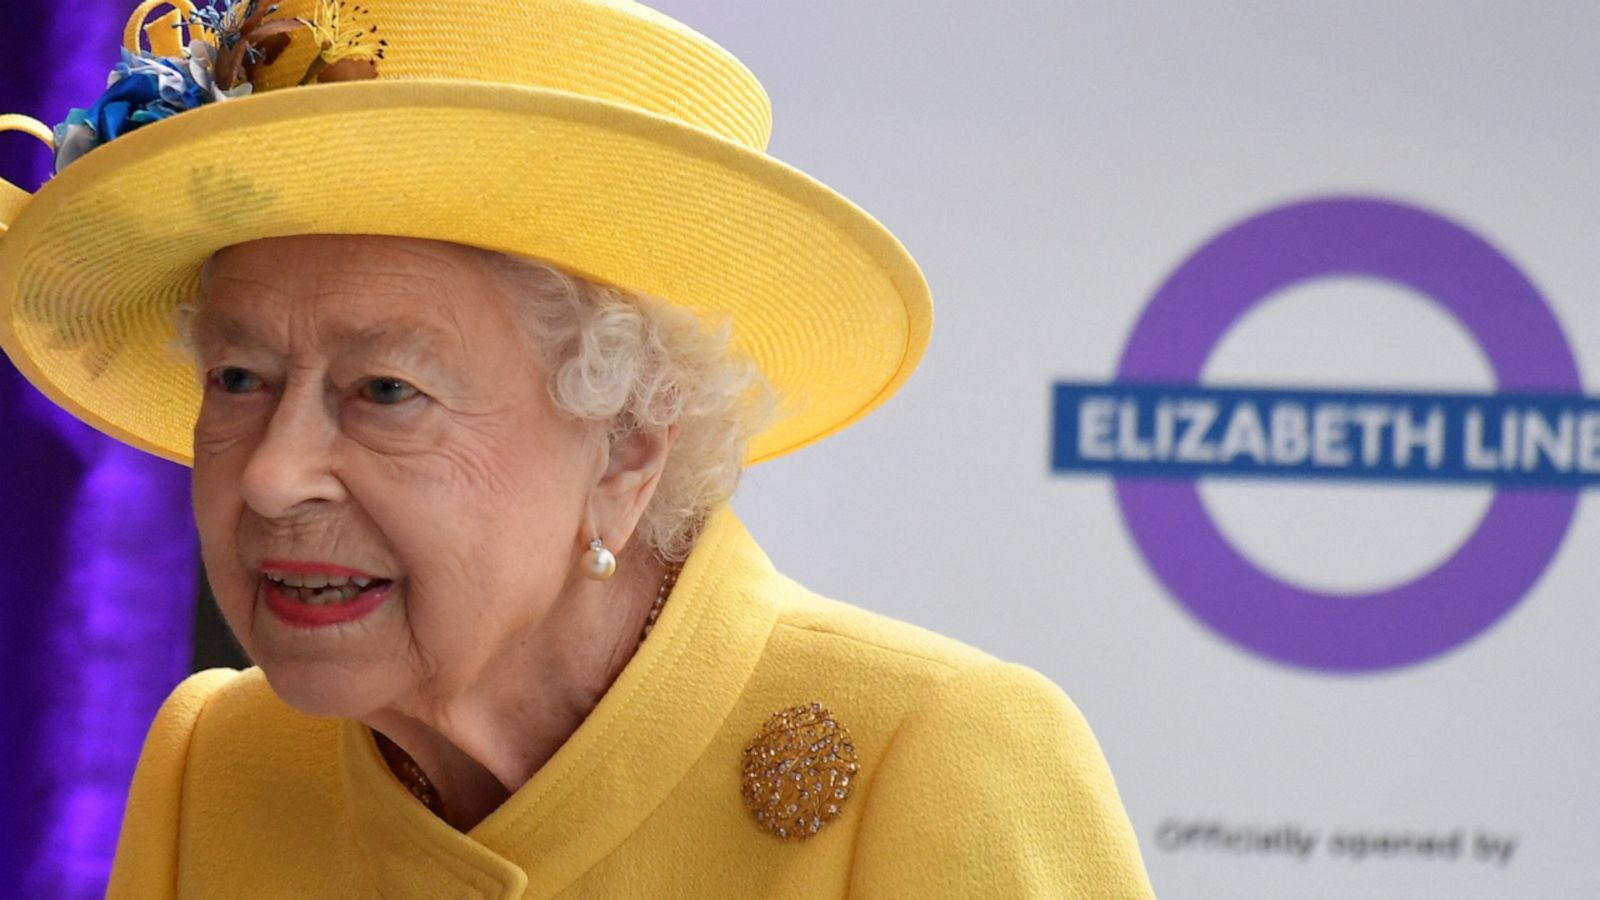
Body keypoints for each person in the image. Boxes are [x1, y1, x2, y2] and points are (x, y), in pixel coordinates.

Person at [0, 0, 1155, 896]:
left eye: (386, 390)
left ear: (626, 447)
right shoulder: (220, 760)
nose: (270, 474)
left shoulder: (932, 757)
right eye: (239, 379)